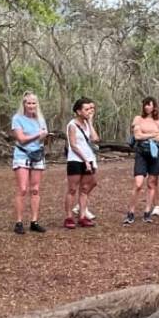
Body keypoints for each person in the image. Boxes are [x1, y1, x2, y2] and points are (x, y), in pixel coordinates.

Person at [11, 92, 48, 234]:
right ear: (24, 104)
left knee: (35, 189)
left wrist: (43, 137)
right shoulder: (17, 119)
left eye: (33, 103)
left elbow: (42, 138)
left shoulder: (40, 119)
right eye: (28, 103)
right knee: (23, 188)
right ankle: (19, 222)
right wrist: (38, 135)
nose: (31, 106)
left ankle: (34, 221)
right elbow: (21, 139)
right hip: (22, 154)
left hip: (37, 155)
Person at [125, 97, 159, 224]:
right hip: (141, 152)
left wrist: (149, 135)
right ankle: (130, 212)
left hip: (155, 153)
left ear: (154, 107)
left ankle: (147, 212)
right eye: (145, 105)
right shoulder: (138, 119)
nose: (147, 107)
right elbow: (137, 136)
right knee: (138, 183)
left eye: (149, 105)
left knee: (152, 183)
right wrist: (153, 135)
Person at [64, 98, 99, 229]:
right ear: (78, 111)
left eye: (91, 109)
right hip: (75, 160)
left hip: (89, 159)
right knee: (72, 189)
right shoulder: (72, 125)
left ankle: (82, 216)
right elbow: (73, 145)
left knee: (84, 189)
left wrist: (90, 122)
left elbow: (95, 139)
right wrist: (85, 160)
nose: (89, 111)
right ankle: (68, 217)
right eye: (86, 109)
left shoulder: (87, 124)